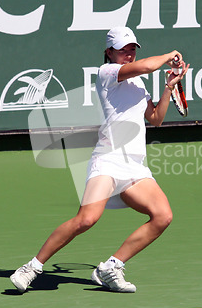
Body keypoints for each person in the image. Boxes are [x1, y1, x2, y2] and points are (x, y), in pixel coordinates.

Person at [10, 26, 189, 293]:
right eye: (122, 50)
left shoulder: (138, 83)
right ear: (109, 52)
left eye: (132, 50)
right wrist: (169, 56)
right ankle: (32, 267)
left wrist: (168, 87)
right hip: (107, 160)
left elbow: (156, 119)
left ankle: (111, 267)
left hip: (134, 167)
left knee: (162, 216)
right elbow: (147, 66)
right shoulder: (107, 73)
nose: (128, 55)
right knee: (87, 219)